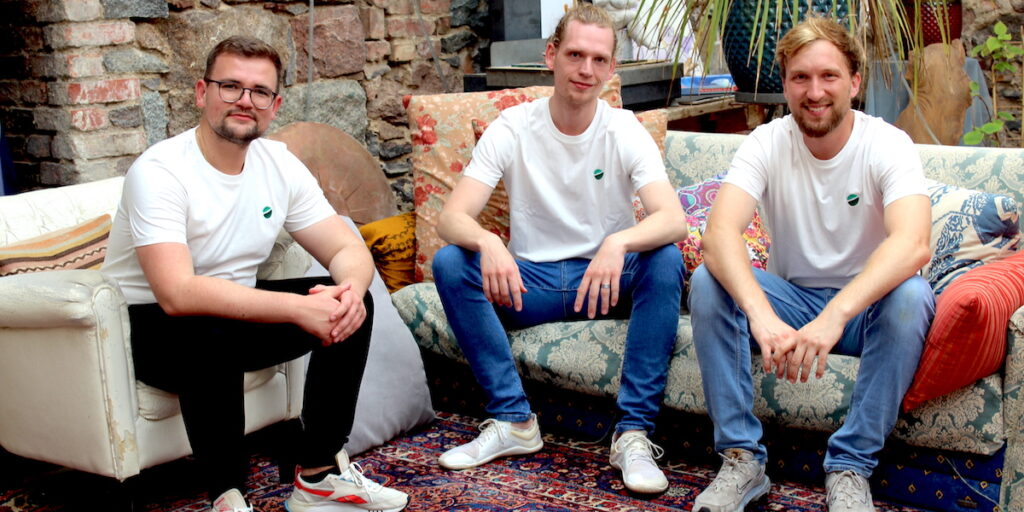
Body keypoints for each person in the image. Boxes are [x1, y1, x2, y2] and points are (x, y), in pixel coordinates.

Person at [102, 36, 409, 512]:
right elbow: (177, 293)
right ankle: (227, 495)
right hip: (148, 327)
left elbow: (345, 246)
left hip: (234, 313)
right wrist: (296, 308)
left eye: (260, 91)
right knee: (208, 329)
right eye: (231, 86)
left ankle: (319, 475)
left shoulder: (278, 164)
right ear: (202, 92)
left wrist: (348, 291)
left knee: (353, 302)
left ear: (275, 105)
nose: (245, 100)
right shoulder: (160, 170)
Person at [430, 3, 687, 495]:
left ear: (611, 68)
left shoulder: (623, 129)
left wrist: (618, 242)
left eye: (598, 59)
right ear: (551, 56)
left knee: (665, 259)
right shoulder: (512, 127)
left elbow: (672, 219)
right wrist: (487, 240)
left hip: (606, 284)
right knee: (451, 263)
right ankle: (513, 421)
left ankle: (633, 434)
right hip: (533, 285)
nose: (585, 69)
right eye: (574, 55)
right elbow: (451, 218)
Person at [688, 16, 935, 512]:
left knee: (912, 294)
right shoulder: (766, 142)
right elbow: (718, 235)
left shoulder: (887, 143)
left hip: (867, 310)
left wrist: (835, 316)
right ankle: (741, 459)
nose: (815, 92)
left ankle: (850, 467)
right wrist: (761, 316)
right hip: (793, 301)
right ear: (785, 85)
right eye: (801, 77)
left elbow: (912, 244)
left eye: (829, 76)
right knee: (707, 281)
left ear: (855, 82)